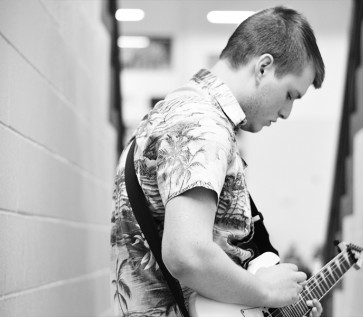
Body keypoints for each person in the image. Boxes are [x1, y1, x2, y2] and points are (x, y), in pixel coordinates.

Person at [110, 6, 325, 317]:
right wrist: (267, 291)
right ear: (263, 67)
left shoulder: (178, 112)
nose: (286, 113)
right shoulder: (203, 125)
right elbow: (187, 254)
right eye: (290, 94)